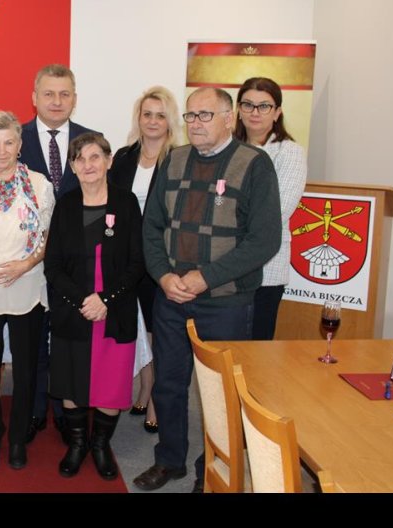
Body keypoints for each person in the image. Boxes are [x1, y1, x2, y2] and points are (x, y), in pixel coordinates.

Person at [133, 87, 281, 492]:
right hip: (171, 297)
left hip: (226, 302)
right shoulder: (174, 160)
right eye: (191, 116)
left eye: (205, 115)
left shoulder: (255, 165)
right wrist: (164, 277)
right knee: (168, 383)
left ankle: (212, 469)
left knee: (220, 395)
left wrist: (205, 277)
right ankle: (169, 460)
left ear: (229, 118)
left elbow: (264, 240)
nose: (195, 123)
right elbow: (152, 228)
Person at [45, 133, 144, 480]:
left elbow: (137, 263)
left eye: (95, 157)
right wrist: (82, 301)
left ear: (108, 161)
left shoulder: (126, 203)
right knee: (71, 381)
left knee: (110, 383)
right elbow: (53, 265)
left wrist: (106, 300)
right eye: (80, 159)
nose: (88, 165)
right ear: (72, 167)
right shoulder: (66, 205)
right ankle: (77, 444)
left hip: (114, 311)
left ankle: (100, 445)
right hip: (74, 309)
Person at [0, 111, 55, 470]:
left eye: (9, 143)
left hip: (27, 288)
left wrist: (26, 265)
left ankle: (18, 438)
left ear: (19, 146)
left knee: (26, 370)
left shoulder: (39, 185)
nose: (2, 150)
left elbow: (48, 238)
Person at [19, 64, 98, 445]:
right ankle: (35, 411)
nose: (56, 101)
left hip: (74, 266)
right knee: (33, 343)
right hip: (28, 262)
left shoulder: (91, 141)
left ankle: (68, 414)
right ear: (34, 97)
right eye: (48, 94)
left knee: (69, 343)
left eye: (64, 94)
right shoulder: (14, 139)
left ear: (74, 99)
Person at [111, 86, 181, 434]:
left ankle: (153, 398)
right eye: (147, 114)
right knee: (134, 327)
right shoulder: (124, 157)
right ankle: (143, 386)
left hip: (160, 259)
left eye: (160, 115)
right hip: (126, 258)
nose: (153, 121)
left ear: (170, 121)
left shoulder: (179, 160)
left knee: (157, 331)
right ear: (138, 118)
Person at [234, 77, 307, 341]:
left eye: (264, 106)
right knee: (221, 346)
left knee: (255, 347)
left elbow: (278, 211)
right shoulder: (226, 149)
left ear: (277, 112)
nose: (255, 112)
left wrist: (227, 221)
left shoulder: (289, 152)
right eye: (248, 104)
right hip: (222, 267)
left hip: (266, 268)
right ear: (238, 110)